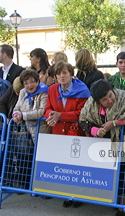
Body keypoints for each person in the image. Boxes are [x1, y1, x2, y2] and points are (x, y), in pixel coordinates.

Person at [79, 79, 125, 216]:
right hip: (103, 142)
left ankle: (123, 205)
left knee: (124, 173)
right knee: (108, 173)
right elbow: (83, 120)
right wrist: (96, 131)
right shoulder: (90, 104)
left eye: (110, 95)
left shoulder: (124, 97)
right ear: (98, 101)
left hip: (123, 142)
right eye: (105, 100)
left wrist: (115, 123)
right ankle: (110, 199)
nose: (110, 100)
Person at [44, 61, 90, 208]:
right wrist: (50, 115)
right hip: (58, 132)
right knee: (63, 165)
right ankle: (67, 194)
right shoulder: (52, 89)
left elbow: (82, 113)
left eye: (64, 73)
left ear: (71, 74)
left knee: (77, 166)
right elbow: (47, 108)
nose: (61, 76)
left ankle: (78, 195)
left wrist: (60, 116)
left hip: (75, 132)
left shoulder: (82, 89)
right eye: (58, 74)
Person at [13, 70, 51, 140]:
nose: (29, 85)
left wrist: (22, 115)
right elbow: (17, 107)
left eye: (32, 81)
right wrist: (16, 115)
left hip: (43, 132)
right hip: (28, 131)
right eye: (26, 83)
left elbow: (41, 112)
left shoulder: (44, 92)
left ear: (37, 81)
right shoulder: (23, 92)